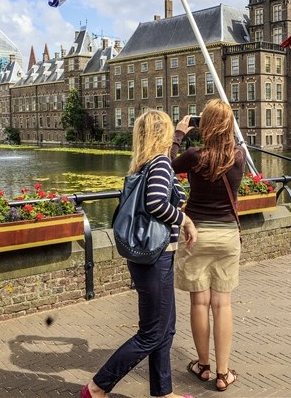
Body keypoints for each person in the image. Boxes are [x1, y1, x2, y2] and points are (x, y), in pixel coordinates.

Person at [83, 109, 198, 398]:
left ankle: (163, 393)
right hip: (155, 258)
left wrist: (179, 136)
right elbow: (156, 203)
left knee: (166, 329)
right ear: (162, 133)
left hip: (153, 255)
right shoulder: (159, 164)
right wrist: (184, 220)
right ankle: (97, 387)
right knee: (150, 333)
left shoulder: (144, 163)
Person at [170, 99, 246, 392]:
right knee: (222, 304)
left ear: (206, 126)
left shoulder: (193, 155)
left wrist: (179, 134)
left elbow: (164, 165)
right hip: (227, 235)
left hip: (196, 234)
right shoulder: (238, 156)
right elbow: (232, 147)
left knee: (199, 303)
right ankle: (223, 373)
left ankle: (203, 366)